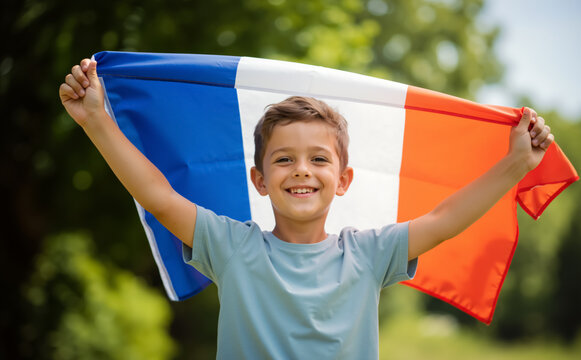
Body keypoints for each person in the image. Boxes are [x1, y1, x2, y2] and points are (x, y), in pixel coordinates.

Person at [59, 58, 554, 359]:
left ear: (342, 182)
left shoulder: (369, 254)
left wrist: (515, 166)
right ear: (259, 180)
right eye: (283, 159)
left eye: (318, 159)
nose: (301, 170)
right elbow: (159, 197)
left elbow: (444, 220)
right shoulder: (232, 247)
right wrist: (97, 120)